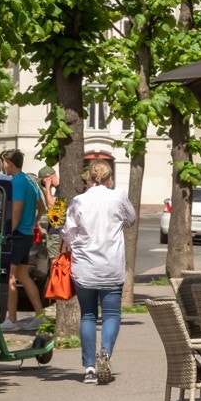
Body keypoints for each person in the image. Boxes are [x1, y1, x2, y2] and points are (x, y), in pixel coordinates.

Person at [62, 160, 137, 386]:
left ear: (89, 178)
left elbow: (68, 232)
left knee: (88, 315)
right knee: (111, 314)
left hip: (85, 266)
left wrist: (77, 244)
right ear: (109, 179)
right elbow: (131, 219)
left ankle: (89, 368)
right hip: (111, 266)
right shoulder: (119, 197)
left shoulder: (79, 201)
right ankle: (104, 352)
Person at [0, 149, 47, 331]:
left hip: (17, 235)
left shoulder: (17, 182)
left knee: (10, 277)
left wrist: (5, 234)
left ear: (9, 163)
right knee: (23, 276)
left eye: (3, 162)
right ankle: (40, 315)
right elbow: (42, 207)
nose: (2, 166)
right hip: (26, 234)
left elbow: (16, 213)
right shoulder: (30, 181)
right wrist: (33, 222)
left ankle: (11, 320)